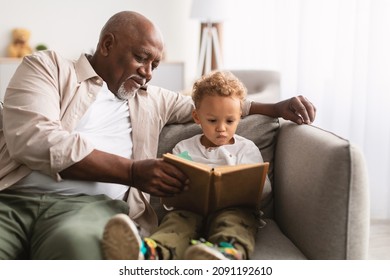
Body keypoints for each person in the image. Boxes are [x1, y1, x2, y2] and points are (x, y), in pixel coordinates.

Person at [0, 11, 316, 260]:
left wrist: (274, 107)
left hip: (88, 208)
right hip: (10, 199)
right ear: (107, 45)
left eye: (155, 64)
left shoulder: (153, 99)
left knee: (75, 248)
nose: (149, 72)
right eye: (141, 58)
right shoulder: (49, 68)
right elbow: (33, 138)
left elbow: (210, 105)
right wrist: (133, 171)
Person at [102, 70, 270, 260]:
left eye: (230, 121)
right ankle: (151, 253)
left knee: (235, 223)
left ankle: (224, 256)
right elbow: (169, 192)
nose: (221, 128)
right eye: (212, 120)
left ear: (240, 116)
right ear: (197, 118)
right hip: (190, 210)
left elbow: (264, 190)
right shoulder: (184, 148)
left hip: (234, 210)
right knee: (176, 223)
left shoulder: (246, 149)